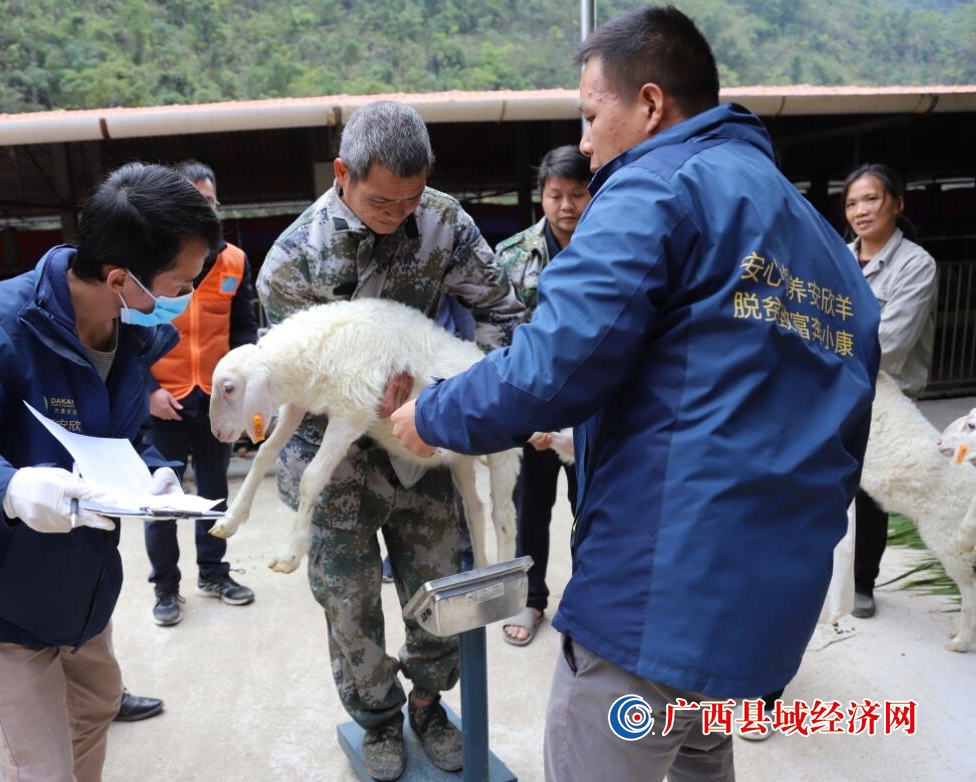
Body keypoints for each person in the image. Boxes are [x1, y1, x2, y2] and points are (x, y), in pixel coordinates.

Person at [390, 7, 880, 781]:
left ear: (650, 104)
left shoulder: (658, 183)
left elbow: (555, 364)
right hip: (766, 611)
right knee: (699, 758)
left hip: (656, 594)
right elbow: (845, 437)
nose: (586, 145)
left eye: (591, 116)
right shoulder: (824, 246)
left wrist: (434, 411)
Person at [0, 162, 222, 781]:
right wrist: (9, 487)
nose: (187, 297)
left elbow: (119, 432)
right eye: (181, 284)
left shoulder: (129, 334)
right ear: (119, 278)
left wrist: (152, 469)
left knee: (95, 709)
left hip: (78, 583)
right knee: (41, 769)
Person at [257, 99, 524, 781]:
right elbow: (292, 380)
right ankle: (377, 718)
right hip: (334, 456)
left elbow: (502, 313)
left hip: (424, 439)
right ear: (342, 174)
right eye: (382, 200)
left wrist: (454, 395)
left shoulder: (442, 221)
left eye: (410, 199)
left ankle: (429, 704)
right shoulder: (292, 261)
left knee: (436, 582)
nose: (399, 213)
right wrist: (367, 399)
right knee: (347, 601)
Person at [143, 159, 258, 626]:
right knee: (161, 499)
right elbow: (125, 333)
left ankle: (213, 573)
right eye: (193, 200)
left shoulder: (234, 260)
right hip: (163, 401)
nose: (203, 209)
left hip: (215, 399)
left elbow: (244, 329)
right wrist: (148, 390)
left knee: (214, 493)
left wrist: (241, 384)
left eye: (209, 201)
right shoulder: (149, 259)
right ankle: (165, 588)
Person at [495, 144, 590, 646]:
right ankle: (531, 600)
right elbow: (497, 339)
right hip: (531, 409)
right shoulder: (511, 256)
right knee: (528, 510)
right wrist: (523, 415)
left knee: (591, 511)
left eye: (578, 193)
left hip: (593, 410)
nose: (567, 205)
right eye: (557, 195)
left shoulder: (615, 248)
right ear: (542, 197)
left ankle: (586, 605)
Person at [844, 162, 937, 619]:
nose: (860, 211)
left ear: (897, 204)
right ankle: (829, 574)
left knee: (871, 491)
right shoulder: (839, 257)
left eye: (871, 199)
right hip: (838, 382)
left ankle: (863, 583)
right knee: (830, 481)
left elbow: (891, 343)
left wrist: (824, 352)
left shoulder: (916, 265)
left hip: (887, 395)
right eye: (851, 203)